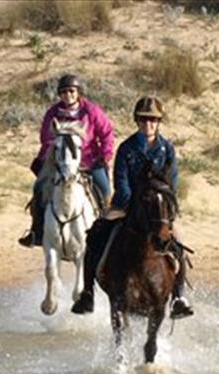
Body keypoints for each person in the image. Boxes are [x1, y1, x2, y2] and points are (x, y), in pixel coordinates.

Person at [70, 96, 193, 319]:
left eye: (153, 120)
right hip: (127, 205)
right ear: (137, 121)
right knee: (97, 232)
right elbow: (121, 180)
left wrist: (166, 203)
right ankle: (87, 293)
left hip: (157, 208)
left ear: (158, 122)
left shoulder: (167, 149)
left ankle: (178, 297)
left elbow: (171, 181)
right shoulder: (127, 148)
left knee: (179, 243)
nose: (148, 124)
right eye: (144, 120)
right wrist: (133, 204)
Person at [19, 73, 114, 247]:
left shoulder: (91, 111)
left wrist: (105, 156)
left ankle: (106, 234)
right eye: (63, 92)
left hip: (88, 161)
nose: (68, 95)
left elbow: (106, 133)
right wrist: (48, 157)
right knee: (39, 189)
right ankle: (37, 231)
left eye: (71, 91)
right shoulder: (53, 113)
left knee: (106, 192)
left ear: (78, 92)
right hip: (60, 162)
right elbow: (46, 137)